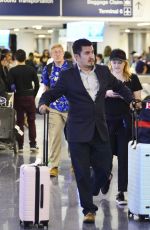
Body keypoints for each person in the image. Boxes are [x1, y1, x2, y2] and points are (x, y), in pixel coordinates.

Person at [39, 39, 133, 224]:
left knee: (105, 168)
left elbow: (120, 87)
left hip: (100, 129)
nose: (92, 56)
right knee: (81, 172)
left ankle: (99, 182)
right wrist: (43, 103)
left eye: (92, 52)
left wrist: (130, 100)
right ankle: (89, 209)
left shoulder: (103, 72)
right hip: (77, 131)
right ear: (76, 57)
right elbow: (51, 93)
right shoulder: (67, 76)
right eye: (87, 53)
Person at [105, 49, 142, 205]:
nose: (116, 65)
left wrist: (130, 99)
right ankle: (105, 176)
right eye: (114, 62)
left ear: (125, 63)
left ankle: (121, 191)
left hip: (125, 122)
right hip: (106, 121)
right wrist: (107, 93)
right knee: (105, 154)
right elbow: (95, 95)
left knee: (123, 157)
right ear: (110, 62)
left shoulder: (132, 78)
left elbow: (138, 101)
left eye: (119, 62)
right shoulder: (104, 77)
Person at [41, 44, 73, 177]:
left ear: (63, 53)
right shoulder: (48, 69)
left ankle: (75, 164)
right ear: (51, 54)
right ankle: (54, 165)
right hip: (54, 107)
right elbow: (46, 89)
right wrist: (45, 103)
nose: (57, 54)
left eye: (59, 52)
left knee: (73, 137)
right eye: (54, 52)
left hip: (72, 107)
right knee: (54, 137)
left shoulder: (72, 67)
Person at [8, 49, 39, 153]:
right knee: (31, 121)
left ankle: (20, 146)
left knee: (19, 122)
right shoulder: (31, 69)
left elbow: (10, 87)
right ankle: (33, 144)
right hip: (30, 97)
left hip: (18, 98)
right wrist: (33, 95)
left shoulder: (12, 71)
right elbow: (37, 84)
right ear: (25, 57)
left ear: (15, 58)